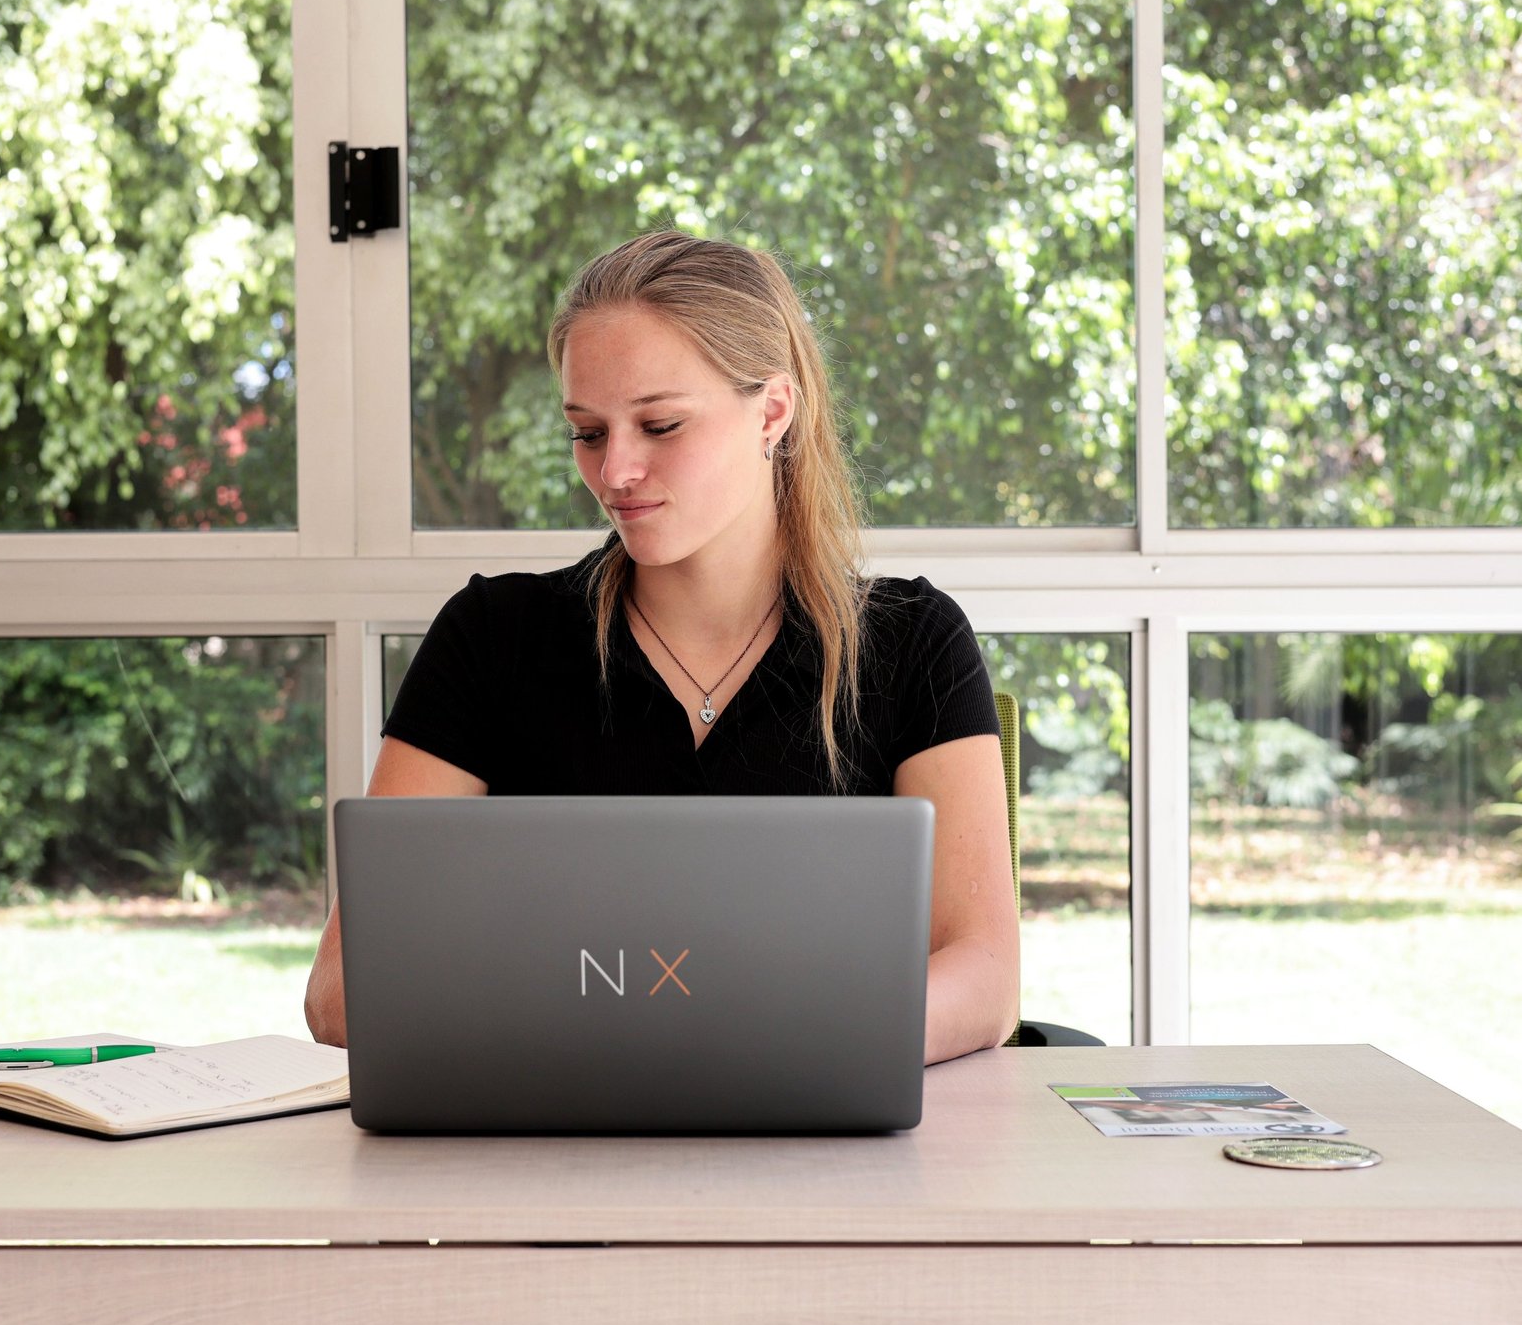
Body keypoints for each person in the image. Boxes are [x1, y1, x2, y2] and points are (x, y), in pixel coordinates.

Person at [304, 229, 1018, 1064]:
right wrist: (641, 1041)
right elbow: (341, 989)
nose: (616, 473)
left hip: (822, 1149)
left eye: (660, 424)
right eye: (587, 433)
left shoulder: (913, 645)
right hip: (547, 1156)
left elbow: (987, 978)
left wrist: (780, 1044)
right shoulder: (492, 640)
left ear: (773, 411)